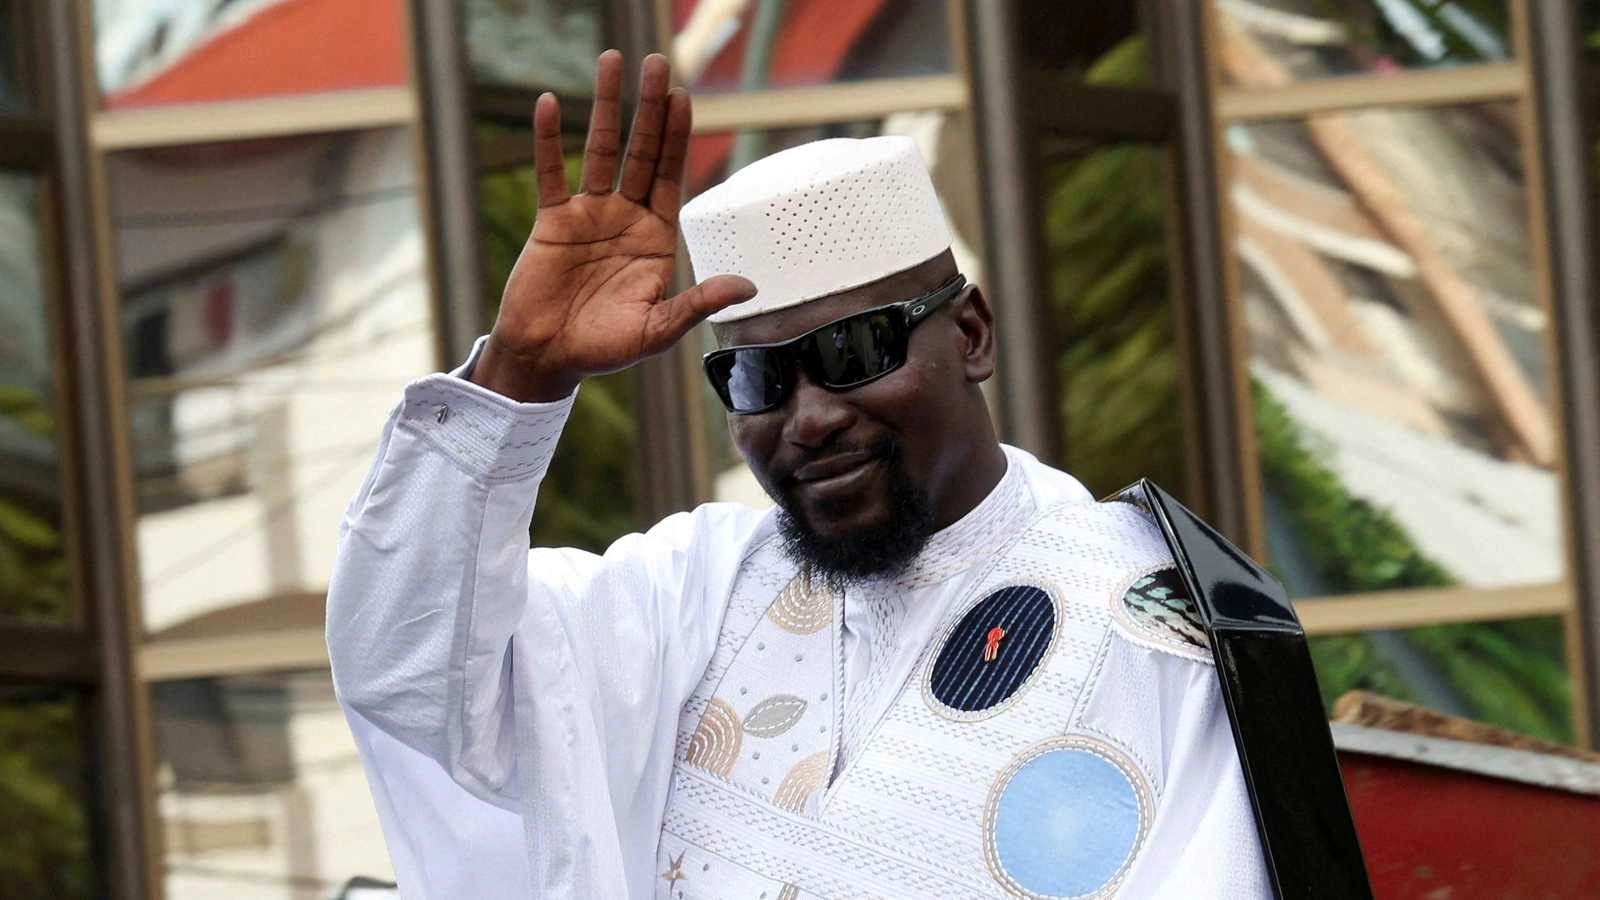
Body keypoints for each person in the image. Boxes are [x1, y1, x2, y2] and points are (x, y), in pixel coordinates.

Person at [327, 49, 1272, 899]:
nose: (811, 418)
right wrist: (519, 375)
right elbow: (409, 676)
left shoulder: (1150, 628)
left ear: (972, 335)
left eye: (857, 351)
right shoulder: (695, 595)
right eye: (758, 377)